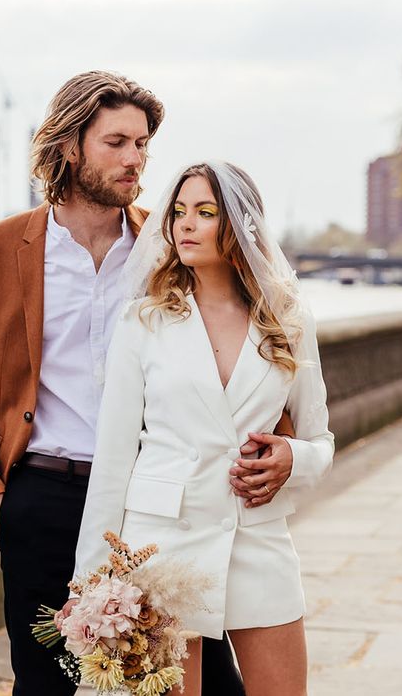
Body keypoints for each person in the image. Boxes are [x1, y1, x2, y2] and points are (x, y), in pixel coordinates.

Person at [0, 73, 289, 695]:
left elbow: (247, 349)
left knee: (192, 681)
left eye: (143, 143)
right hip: (42, 498)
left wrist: (285, 443)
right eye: (117, 142)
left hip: (157, 505)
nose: (136, 159)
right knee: (49, 683)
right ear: (71, 147)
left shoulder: (171, 247)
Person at [72, 161, 335, 695]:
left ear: (239, 225)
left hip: (256, 538)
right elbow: (114, 459)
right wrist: (91, 583)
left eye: (205, 212)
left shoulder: (288, 319)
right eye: (179, 212)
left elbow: (320, 439)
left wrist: (293, 458)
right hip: (163, 549)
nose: (185, 224)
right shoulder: (142, 320)